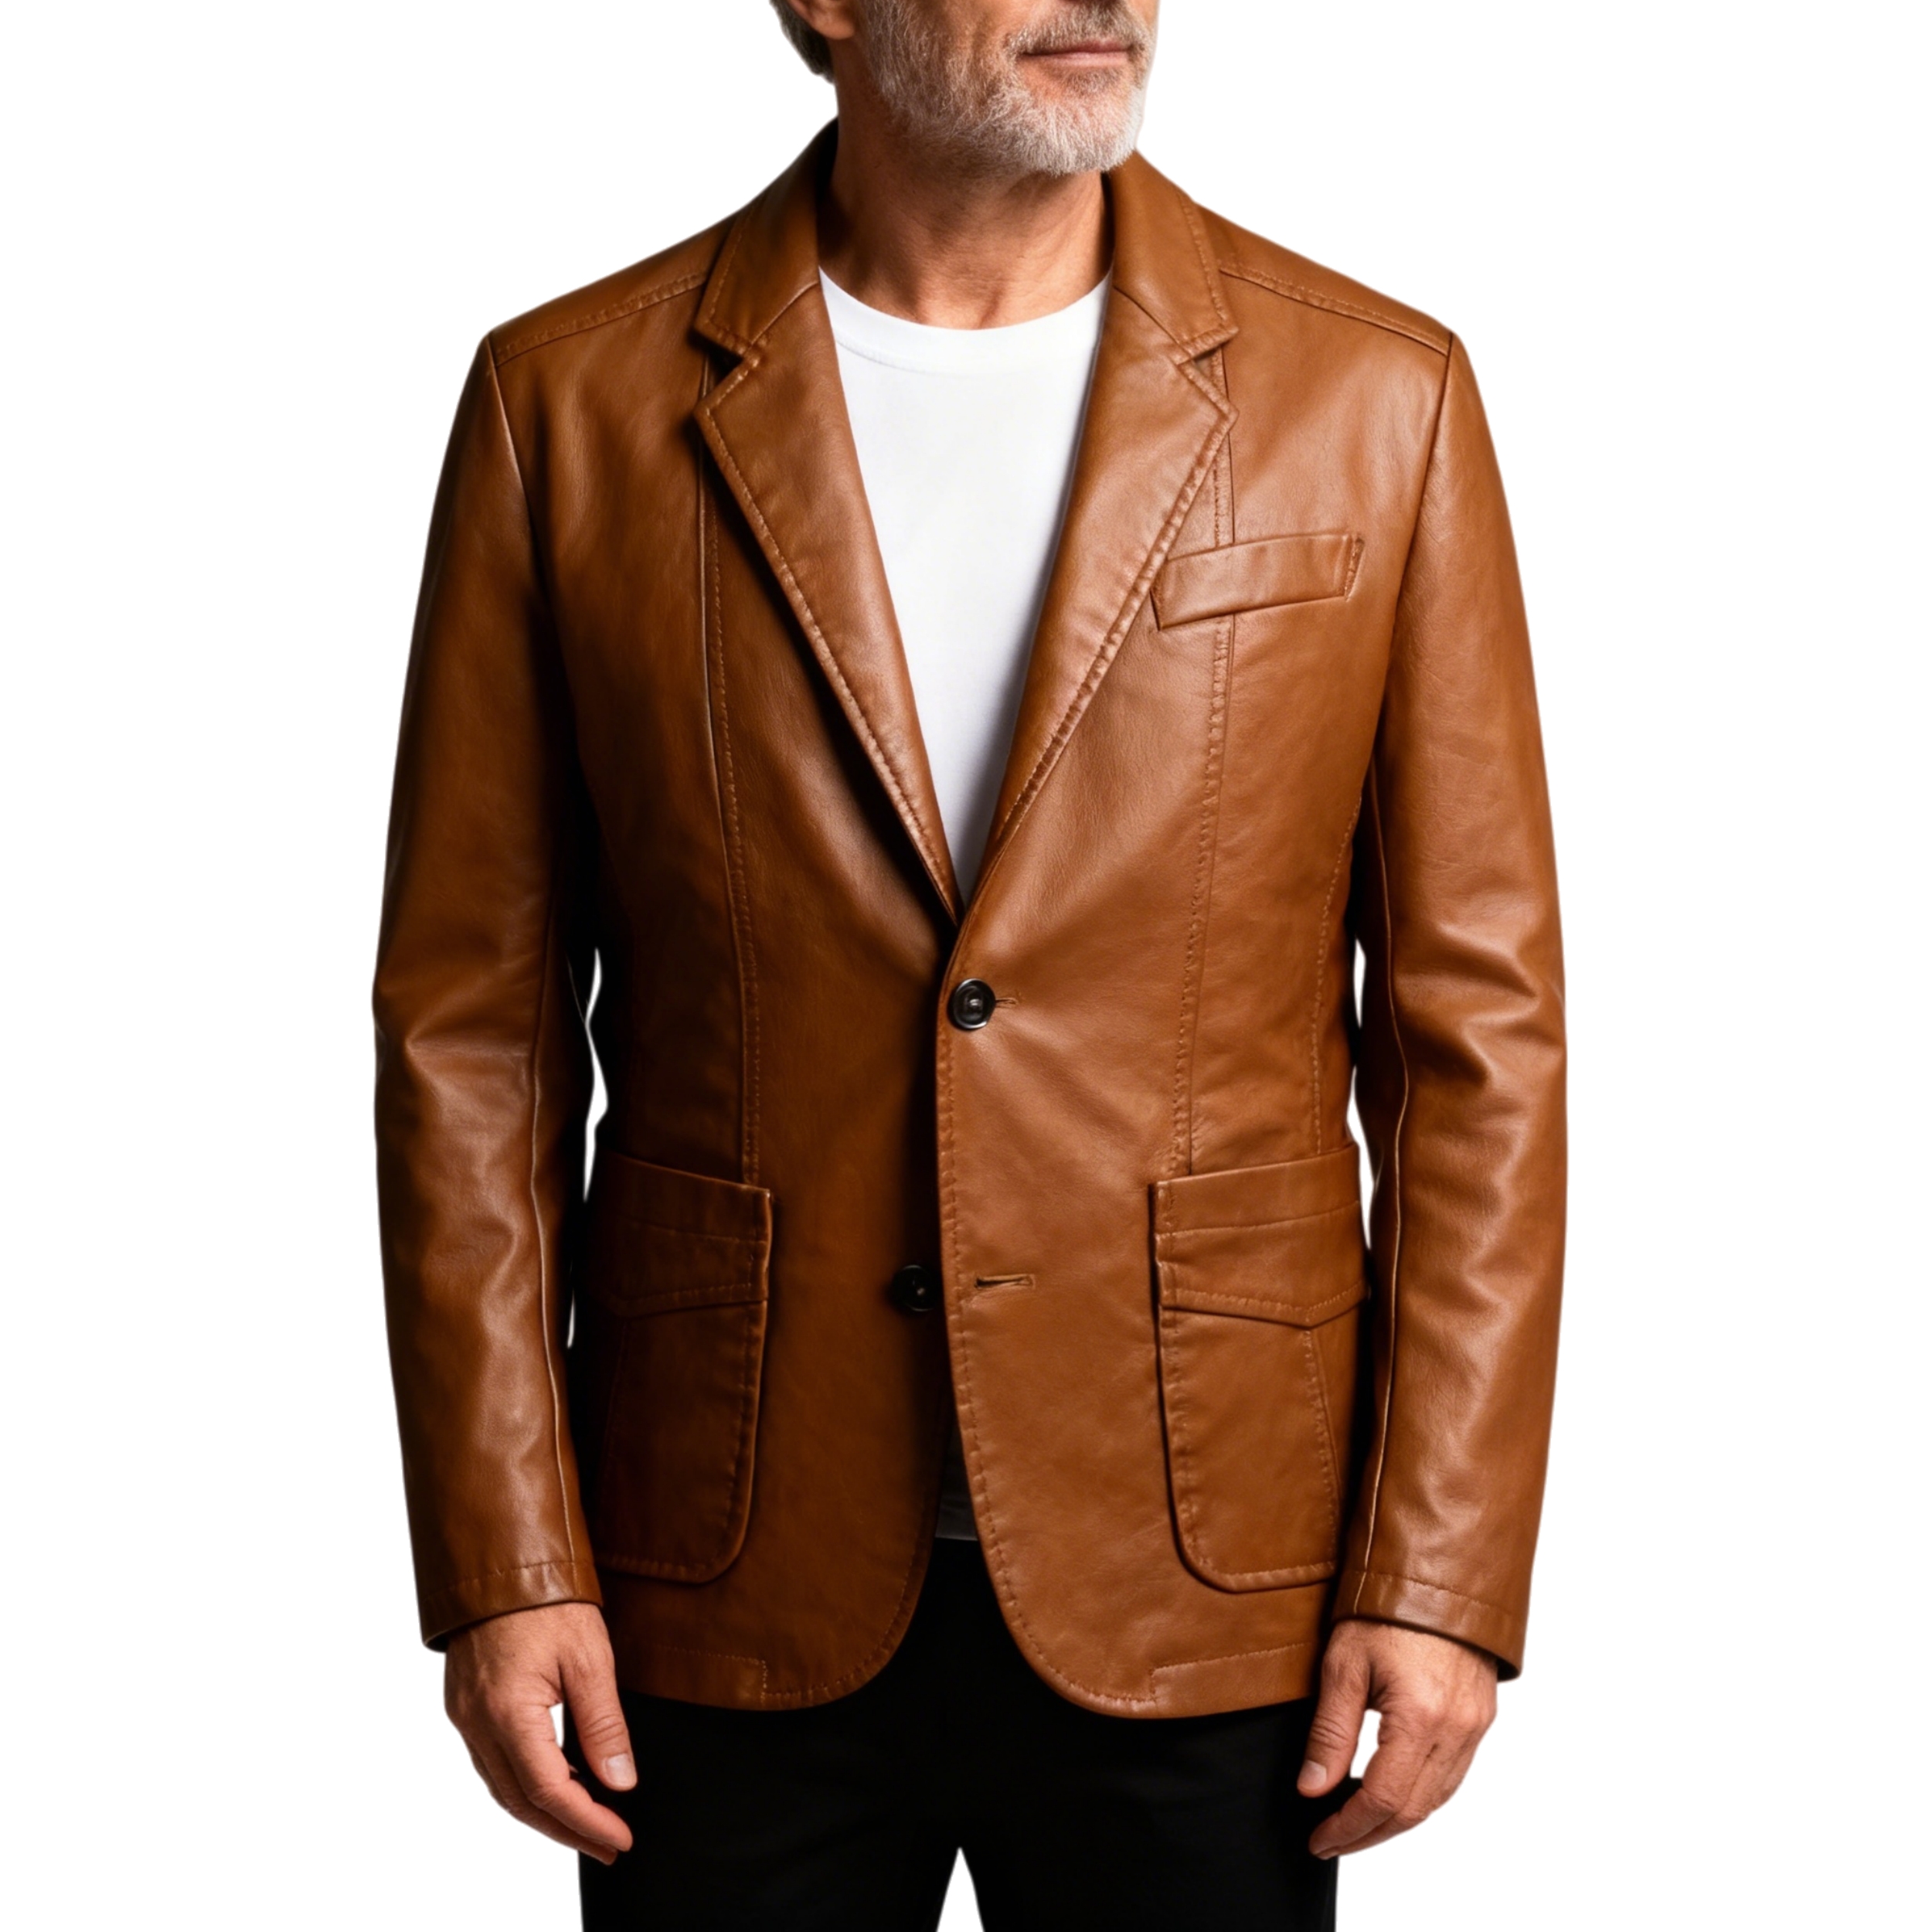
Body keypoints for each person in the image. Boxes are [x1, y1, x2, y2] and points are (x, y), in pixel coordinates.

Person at [372, 2, 1566, 1925]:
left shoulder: (1371, 393)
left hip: (1208, 1555)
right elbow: (471, 1039)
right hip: (719, 1550)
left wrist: (1436, 1572)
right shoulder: (569, 402)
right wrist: (507, 1557)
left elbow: (1472, 1042)